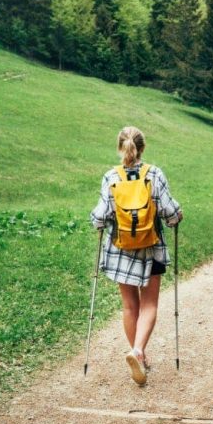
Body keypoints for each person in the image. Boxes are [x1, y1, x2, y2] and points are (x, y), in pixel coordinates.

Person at [90, 126, 183, 386]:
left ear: (120, 147)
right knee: (150, 304)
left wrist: (99, 223)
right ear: (142, 147)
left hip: (121, 249)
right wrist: (177, 215)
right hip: (150, 247)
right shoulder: (154, 174)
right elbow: (170, 213)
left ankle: (137, 353)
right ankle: (138, 352)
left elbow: (99, 217)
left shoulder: (111, 177)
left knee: (130, 305)